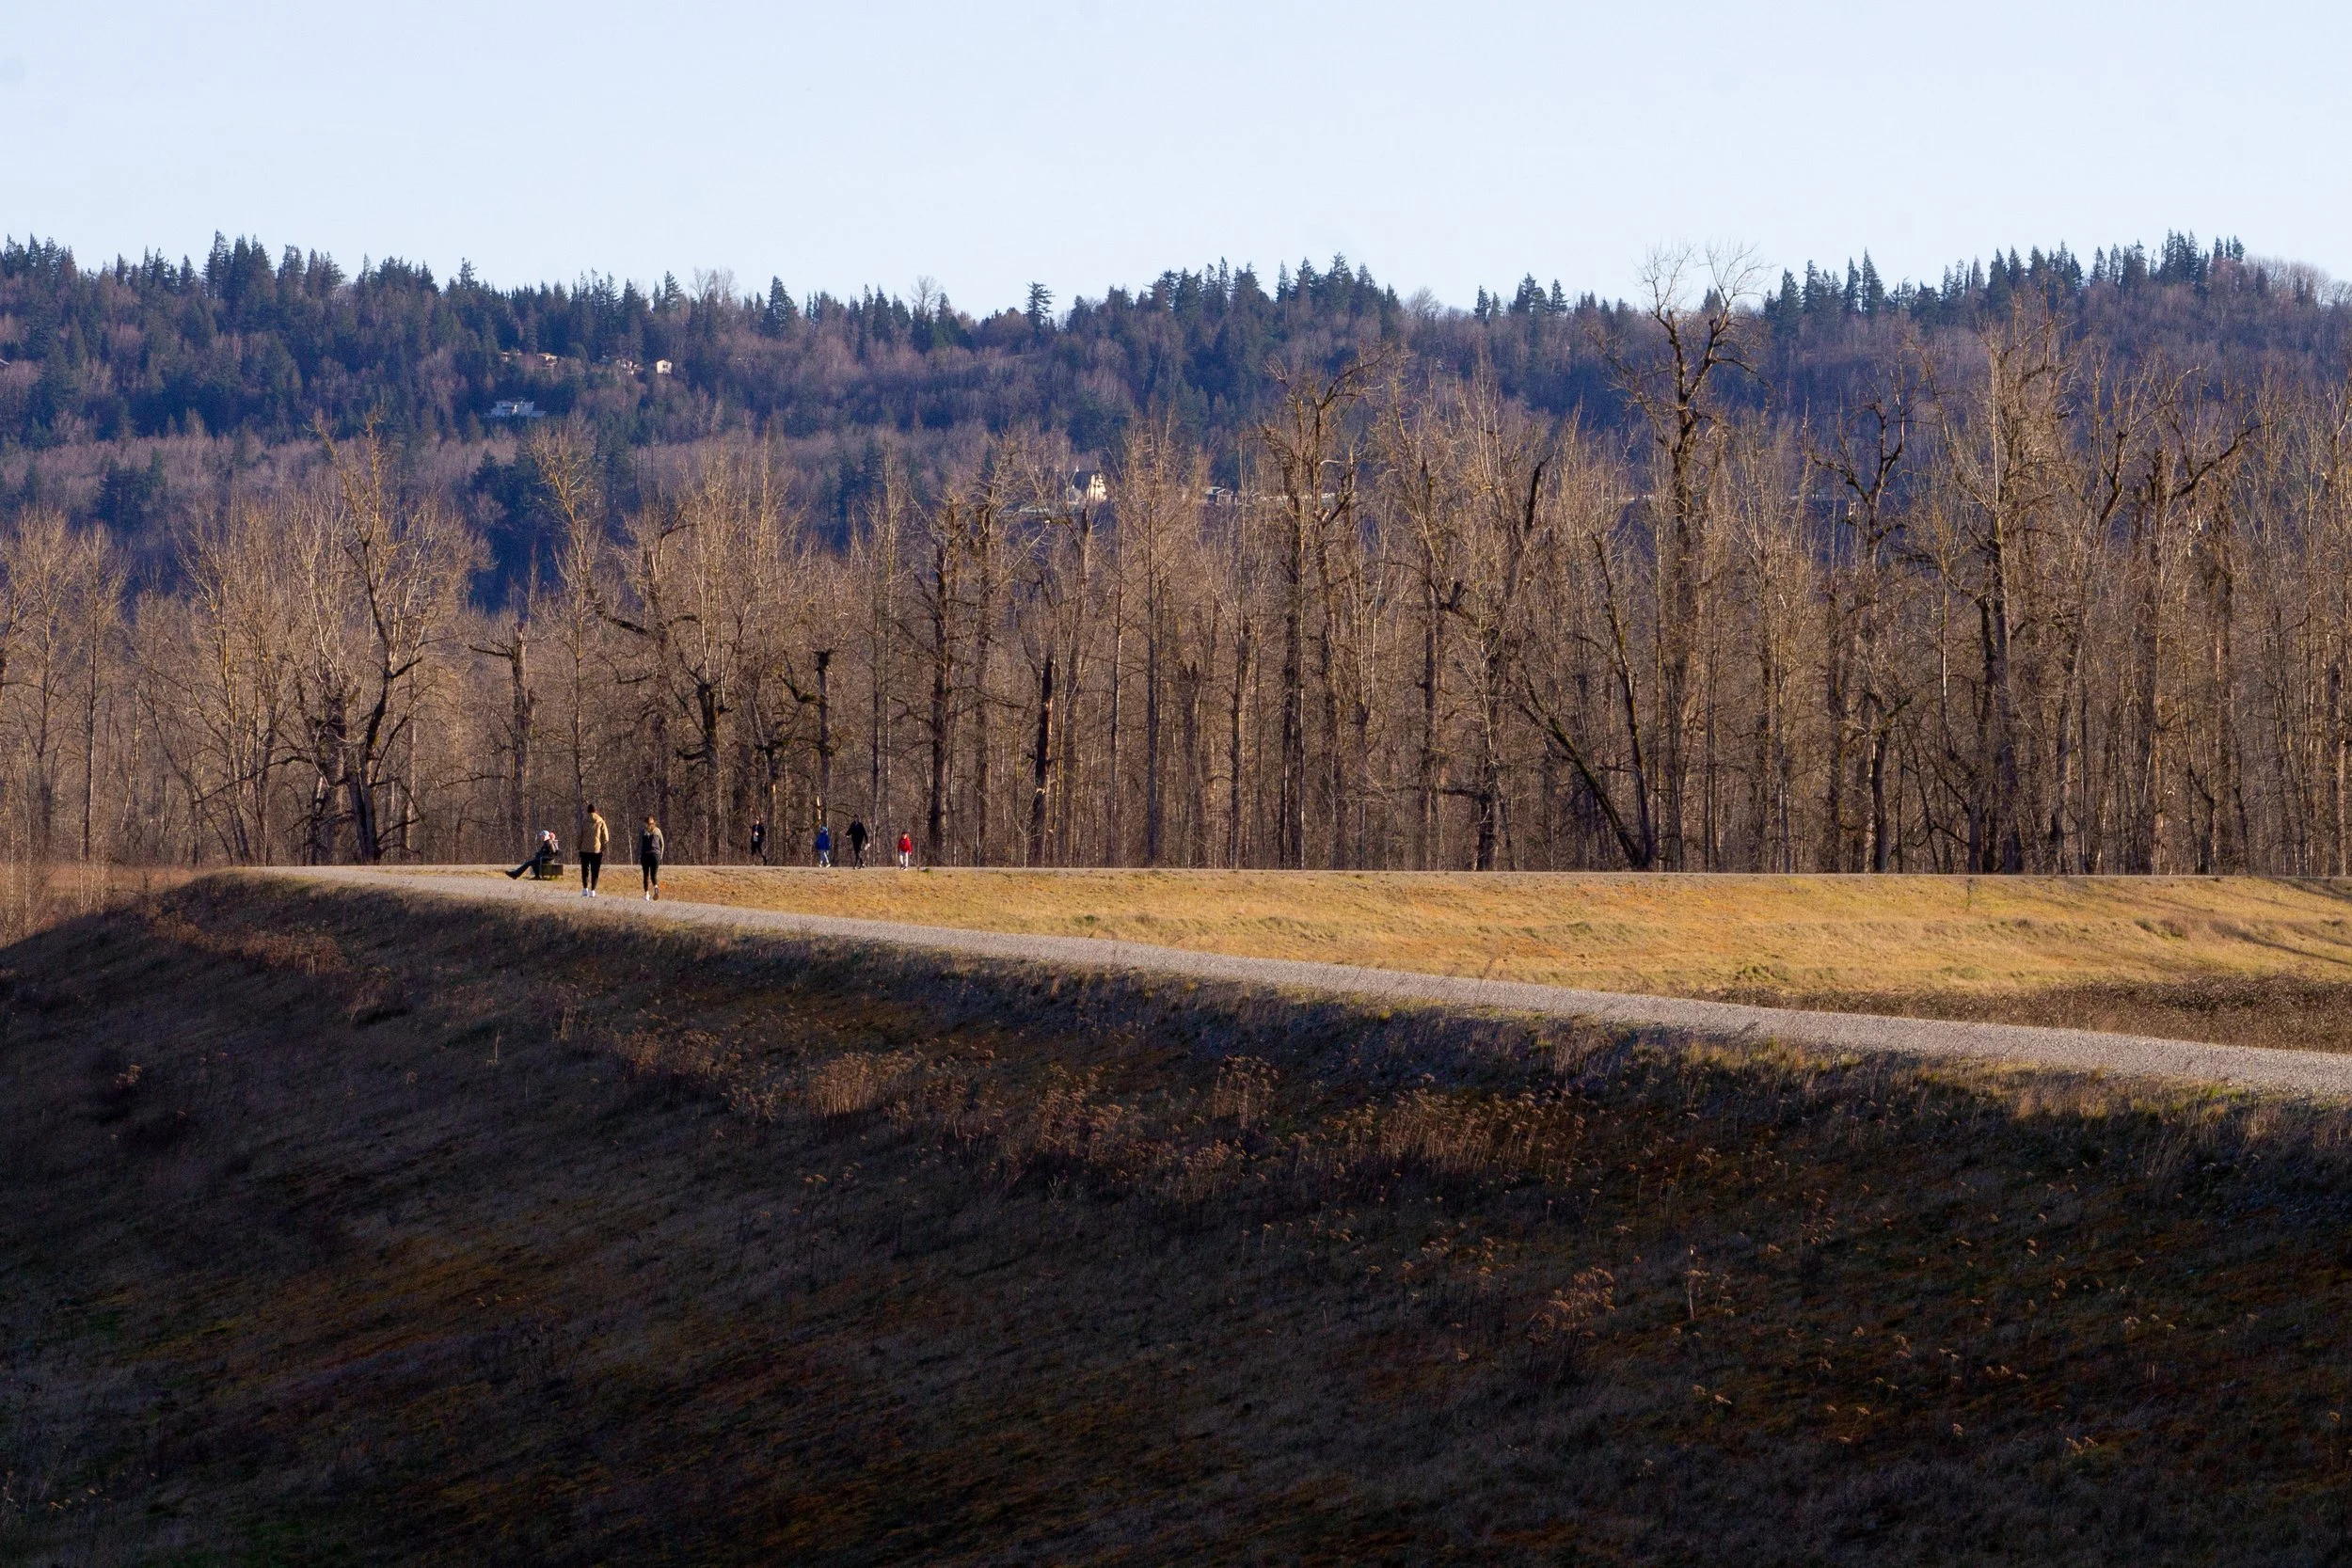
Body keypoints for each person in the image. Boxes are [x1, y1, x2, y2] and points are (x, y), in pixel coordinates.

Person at [580, 802, 609, 896]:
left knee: (585, 869)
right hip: (597, 849)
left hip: (584, 849)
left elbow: (579, 835)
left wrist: (578, 846)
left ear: (587, 811)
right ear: (596, 811)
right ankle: (593, 890)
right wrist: (603, 847)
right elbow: (605, 837)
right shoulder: (601, 821)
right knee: (595, 870)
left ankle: (585, 889)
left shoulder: (583, 821)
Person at [639, 815, 665, 899]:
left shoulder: (643, 831)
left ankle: (646, 894)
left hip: (645, 854)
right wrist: (660, 855)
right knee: (654, 875)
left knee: (646, 875)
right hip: (655, 855)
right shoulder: (658, 831)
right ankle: (656, 888)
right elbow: (662, 844)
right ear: (654, 822)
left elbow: (640, 845)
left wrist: (639, 855)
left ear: (646, 823)